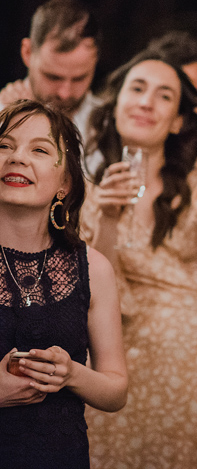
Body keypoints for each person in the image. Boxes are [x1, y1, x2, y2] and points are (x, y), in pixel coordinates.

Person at [81, 49, 197, 469]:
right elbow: (97, 301)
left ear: (178, 121)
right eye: (137, 89)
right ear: (116, 105)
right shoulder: (89, 195)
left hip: (189, 379)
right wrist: (107, 218)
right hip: (114, 379)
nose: (147, 102)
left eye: (164, 95)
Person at [0, 100, 128, 468]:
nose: (17, 157)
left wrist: (72, 373)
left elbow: (116, 390)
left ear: (65, 183)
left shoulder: (93, 268)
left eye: (39, 150)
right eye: (4, 146)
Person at [0, 0, 101, 145]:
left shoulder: (115, 126)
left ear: (96, 59)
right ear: (27, 52)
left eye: (79, 78)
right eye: (53, 77)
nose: (64, 93)